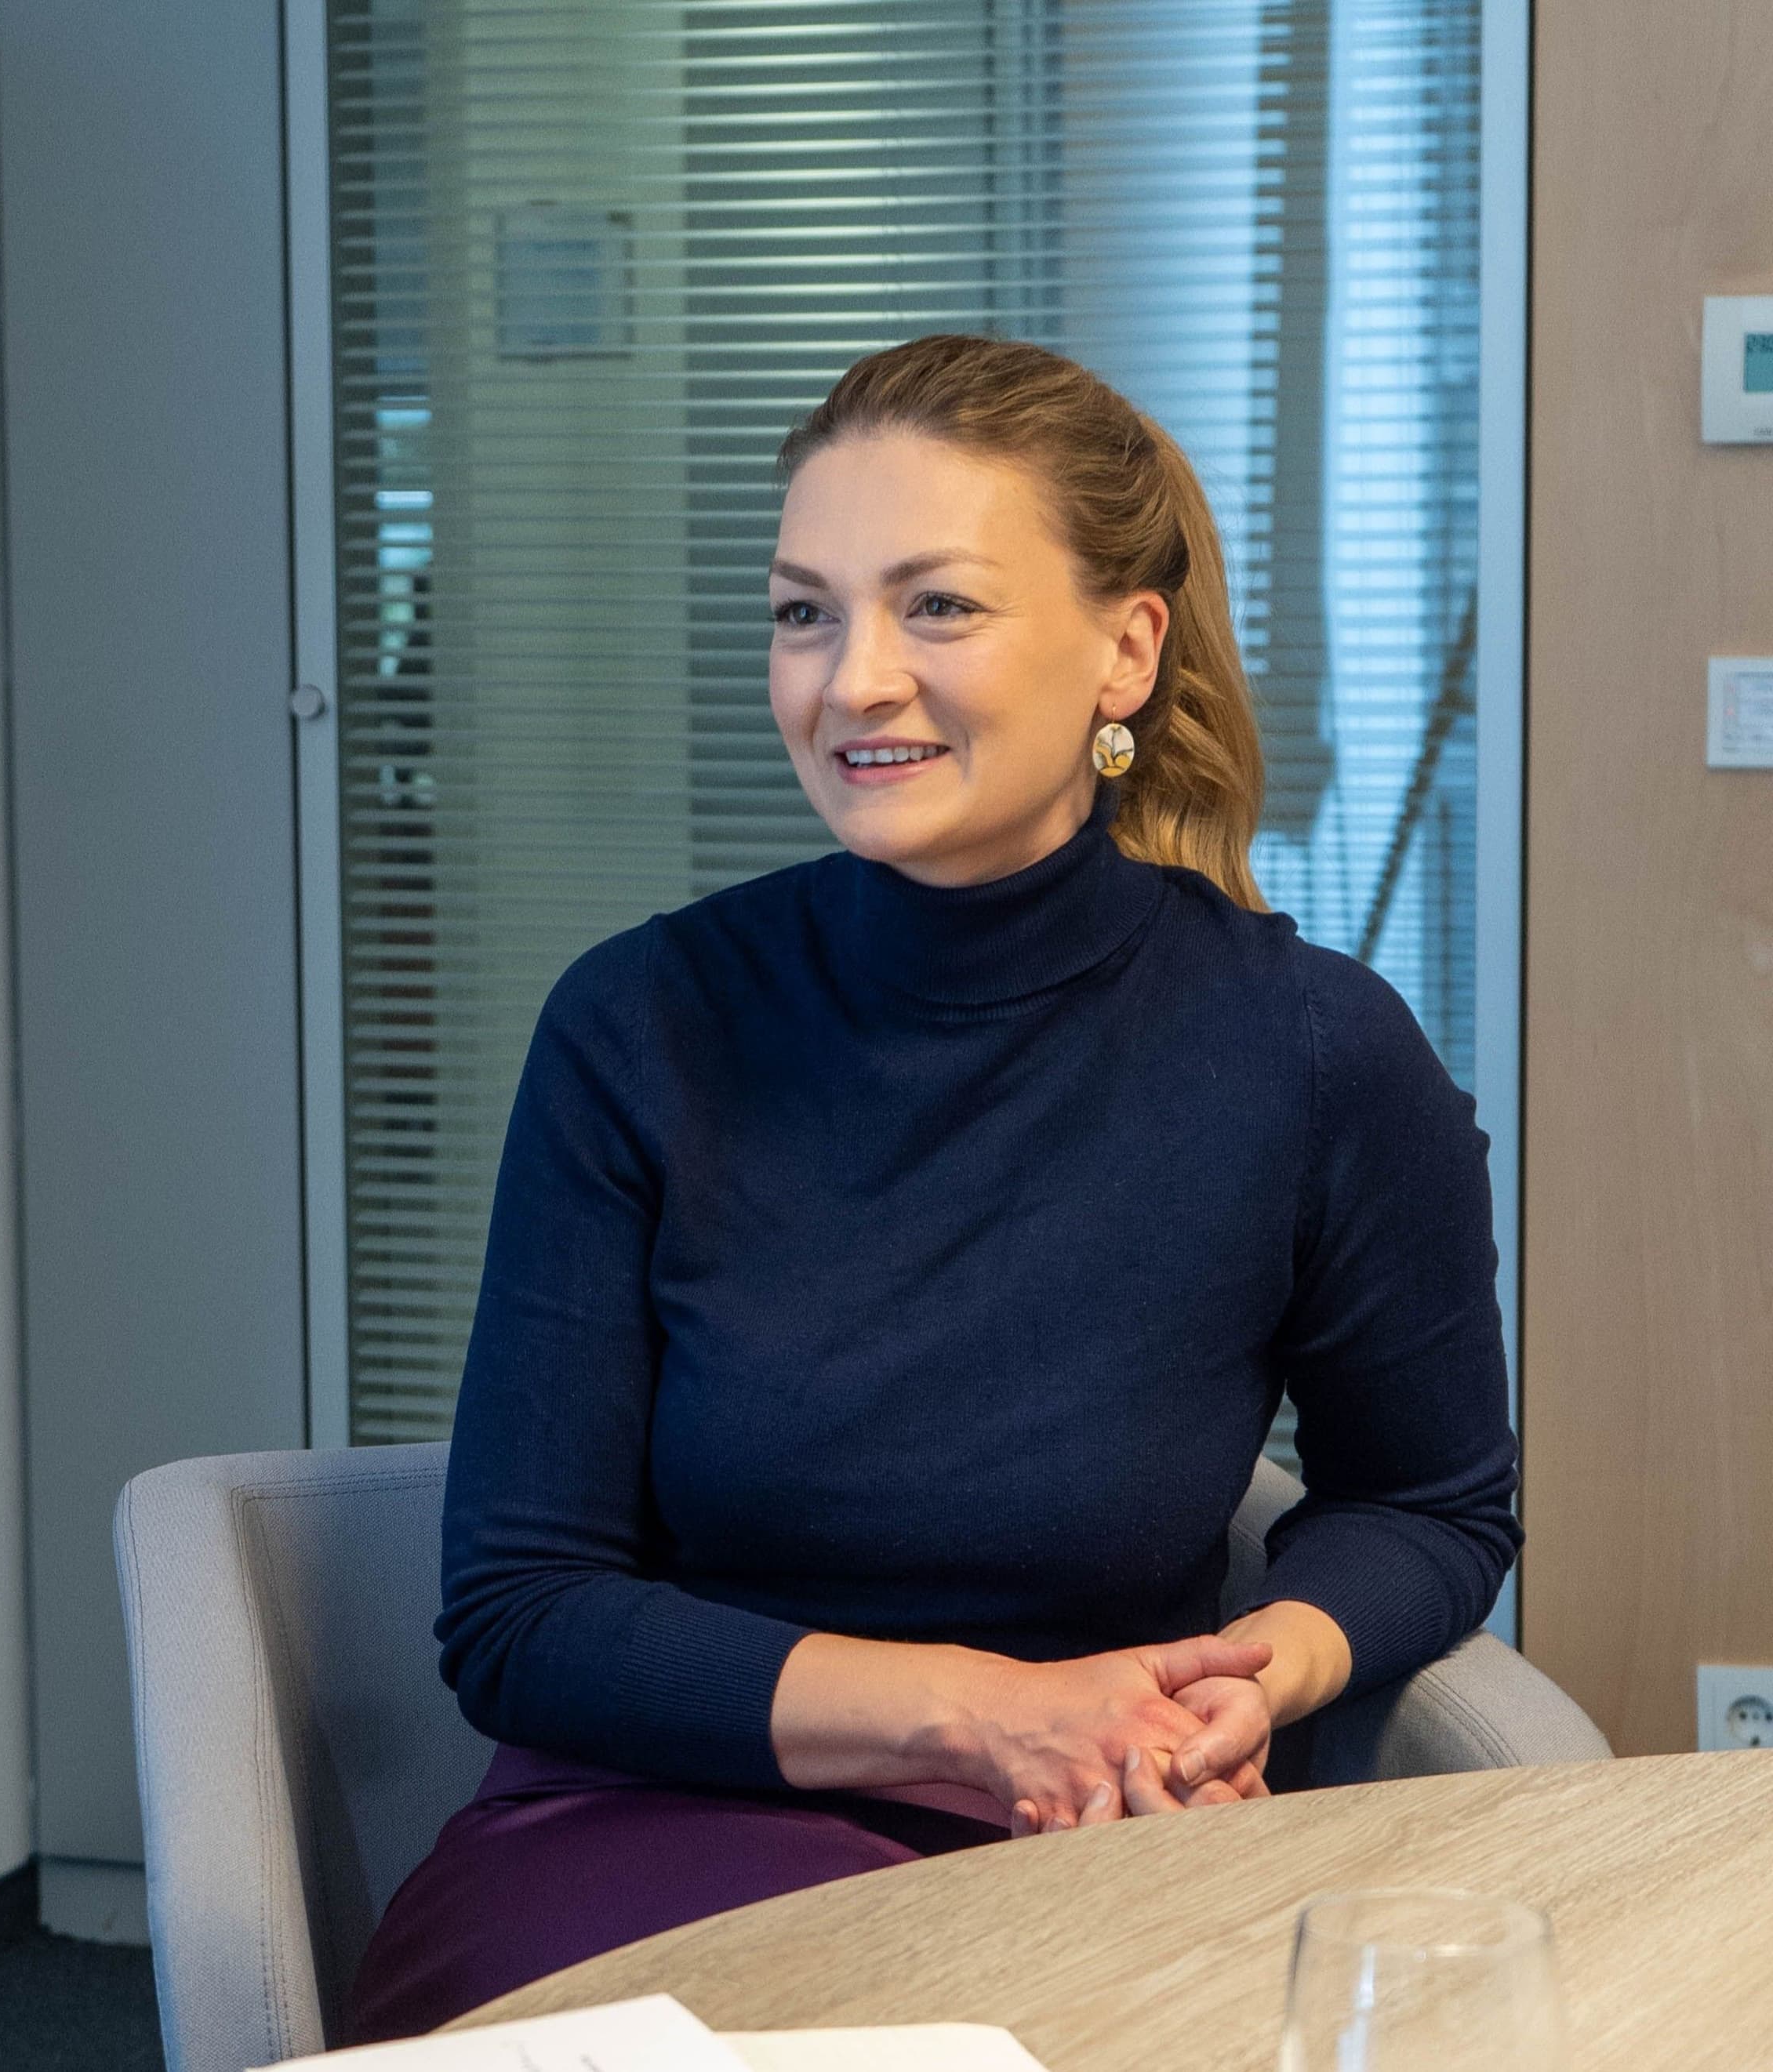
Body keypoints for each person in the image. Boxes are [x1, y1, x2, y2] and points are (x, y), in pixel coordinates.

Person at [347, 335, 1519, 2039]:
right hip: (644, 1829)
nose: (853, 680)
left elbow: (1431, 1504)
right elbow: (525, 1615)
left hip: (1096, 1841)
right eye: (803, 611)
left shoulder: (1317, 1052)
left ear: (1127, 649)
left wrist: (1242, 1679)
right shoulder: (639, 1023)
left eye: (938, 607)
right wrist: (986, 1715)